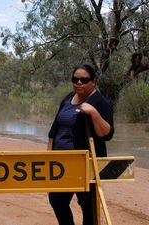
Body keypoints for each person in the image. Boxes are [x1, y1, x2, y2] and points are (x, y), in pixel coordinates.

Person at [47, 64, 114, 225]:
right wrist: (48, 156)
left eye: (84, 80)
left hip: (85, 164)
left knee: (88, 207)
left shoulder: (100, 102)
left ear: (94, 82)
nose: (79, 83)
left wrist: (93, 112)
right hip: (61, 164)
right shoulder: (68, 98)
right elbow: (53, 131)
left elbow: (107, 134)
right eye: (75, 79)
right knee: (56, 200)